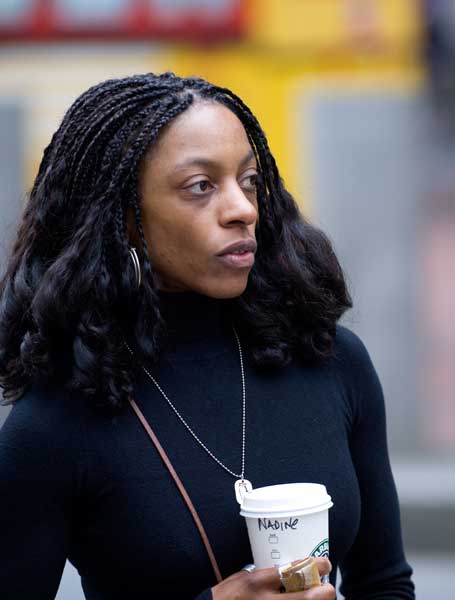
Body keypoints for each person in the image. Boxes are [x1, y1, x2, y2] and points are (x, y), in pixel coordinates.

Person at [0, 72, 415, 600]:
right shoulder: (58, 418)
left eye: (248, 180)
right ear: (125, 219)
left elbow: (385, 583)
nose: (242, 208)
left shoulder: (331, 360)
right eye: (201, 186)